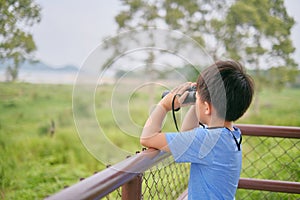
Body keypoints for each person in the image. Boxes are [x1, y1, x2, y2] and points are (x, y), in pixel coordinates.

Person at [140, 60, 254, 199]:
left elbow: (147, 138)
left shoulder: (209, 140)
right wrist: (198, 100)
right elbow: (187, 134)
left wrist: (164, 105)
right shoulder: (229, 134)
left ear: (207, 107)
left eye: (197, 99)